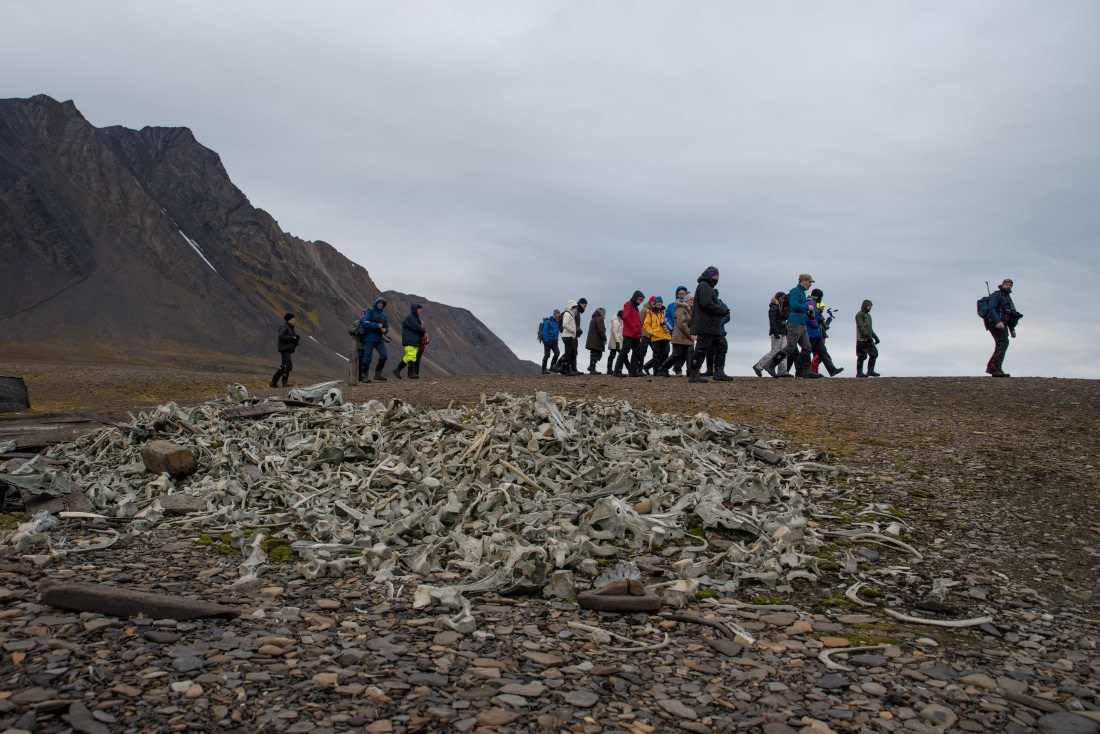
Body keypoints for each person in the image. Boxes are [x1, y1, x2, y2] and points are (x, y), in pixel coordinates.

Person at [764, 274, 821, 379]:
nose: (810, 284)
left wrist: (808, 312)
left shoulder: (802, 292)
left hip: (801, 322)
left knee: (807, 347)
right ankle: (770, 365)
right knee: (790, 348)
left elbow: (798, 307)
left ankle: (807, 371)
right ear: (804, 281)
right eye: (810, 282)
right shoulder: (796, 291)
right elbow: (794, 305)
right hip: (795, 323)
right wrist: (807, 307)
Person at [688, 266, 730, 383]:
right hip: (706, 325)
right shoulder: (704, 286)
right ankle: (694, 374)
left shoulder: (707, 286)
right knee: (701, 348)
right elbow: (706, 303)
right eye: (716, 276)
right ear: (710, 275)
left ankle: (719, 372)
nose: (717, 278)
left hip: (712, 325)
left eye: (718, 276)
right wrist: (721, 310)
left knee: (721, 345)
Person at [984, 278, 1021, 377]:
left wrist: (1012, 329)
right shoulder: (997, 294)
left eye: (1010, 285)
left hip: (1003, 324)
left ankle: (996, 368)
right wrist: (998, 321)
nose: (1008, 286)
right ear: (1003, 284)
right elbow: (991, 308)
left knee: (1003, 343)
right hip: (995, 323)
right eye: (1007, 284)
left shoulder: (1007, 297)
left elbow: (1011, 314)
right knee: (1003, 343)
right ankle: (994, 368)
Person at [753, 292, 790, 378]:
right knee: (774, 351)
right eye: (783, 298)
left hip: (782, 332)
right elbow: (772, 320)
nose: (784, 300)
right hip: (777, 332)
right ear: (779, 298)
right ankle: (758, 366)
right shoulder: (774, 307)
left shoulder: (780, 307)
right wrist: (776, 331)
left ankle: (782, 371)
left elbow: (782, 318)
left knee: (784, 352)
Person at [807, 290, 843, 376]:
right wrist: (816, 323)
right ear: (818, 296)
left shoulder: (813, 303)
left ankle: (832, 370)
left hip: (817, 334)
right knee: (807, 352)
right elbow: (810, 317)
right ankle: (803, 370)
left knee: (823, 353)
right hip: (812, 333)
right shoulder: (811, 303)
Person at [357, 296, 390, 383]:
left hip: (379, 339)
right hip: (369, 338)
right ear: (376, 304)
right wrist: (376, 325)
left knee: (384, 355)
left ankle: (377, 374)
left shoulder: (383, 315)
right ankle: (365, 376)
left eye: (382, 303)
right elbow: (364, 322)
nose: (380, 304)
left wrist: (385, 330)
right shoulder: (370, 312)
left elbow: (387, 327)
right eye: (379, 303)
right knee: (367, 357)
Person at [613, 291, 646, 376]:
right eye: (639, 300)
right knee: (624, 351)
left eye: (642, 300)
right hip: (629, 333)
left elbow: (638, 321)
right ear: (635, 298)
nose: (640, 302)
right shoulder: (628, 304)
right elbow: (626, 317)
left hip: (636, 334)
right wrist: (634, 327)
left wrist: (639, 331)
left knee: (637, 352)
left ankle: (633, 371)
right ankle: (617, 370)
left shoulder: (636, 308)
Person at [660, 295, 694, 376]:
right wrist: (690, 334)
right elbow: (681, 324)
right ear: (686, 301)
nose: (693, 301)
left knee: (690, 353)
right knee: (676, 355)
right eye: (691, 299)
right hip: (679, 336)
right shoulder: (680, 309)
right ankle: (663, 368)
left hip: (686, 337)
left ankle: (690, 371)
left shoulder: (689, 310)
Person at [394, 302, 426, 379]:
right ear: (414, 309)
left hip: (414, 341)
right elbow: (417, 327)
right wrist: (424, 331)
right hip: (410, 340)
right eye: (418, 309)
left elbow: (419, 328)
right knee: (411, 356)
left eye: (421, 309)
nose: (420, 310)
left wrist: (422, 329)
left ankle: (397, 370)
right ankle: (411, 374)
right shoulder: (410, 318)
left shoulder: (415, 318)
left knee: (408, 357)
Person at [269, 312, 300, 388]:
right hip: (285, 349)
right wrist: (292, 338)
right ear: (289, 319)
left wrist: (296, 339)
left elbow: (290, 338)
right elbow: (281, 336)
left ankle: (273, 383)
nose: (294, 319)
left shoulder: (291, 328)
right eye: (293, 318)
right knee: (288, 366)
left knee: (283, 366)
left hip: (287, 349)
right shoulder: (285, 327)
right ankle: (284, 383)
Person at [644, 297, 673, 376]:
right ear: (655, 304)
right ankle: (656, 371)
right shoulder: (650, 313)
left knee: (666, 353)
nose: (659, 303)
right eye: (657, 302)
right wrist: (652, 332)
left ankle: (664, 370)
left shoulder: (665, 312)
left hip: (666, 336)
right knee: (657, 355)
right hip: (656, 337)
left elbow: (669, 321)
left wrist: (668, 328)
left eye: (660, 302)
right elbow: (646, 325)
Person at [560, 298, 587, 376]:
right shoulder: (570, 313)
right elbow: (566, 324)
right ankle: (564, 368)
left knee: (573, 352)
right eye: (584, 305)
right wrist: (574, 330)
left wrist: (576, 330)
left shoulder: (574, 313)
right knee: (569, 353)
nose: (585, 307)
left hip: (573, 335)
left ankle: (571, 369)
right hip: (569, 335)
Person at [855, 299, 881, 378]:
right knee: (862, 356)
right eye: (869, 306)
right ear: (865, 306)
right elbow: (861, 327)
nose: (870, 308)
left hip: (869, 339)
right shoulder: (859, 315)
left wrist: (875, 337)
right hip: (861, 340)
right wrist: (867, 336)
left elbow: (870, 329)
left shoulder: (869, 316)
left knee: (874, 353)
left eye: (871, 306)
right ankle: (859, 373)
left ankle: (870, 371)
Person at [585, 307, 607, 374]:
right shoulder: (599, 319)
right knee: (596, 355)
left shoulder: (594, 318)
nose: (605, 314)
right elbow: (601, 330)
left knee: (594, 354)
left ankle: (591, 367)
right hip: (596, 341)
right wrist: (604, 338)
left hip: (592, 340)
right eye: (604, 313)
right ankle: (592, 368)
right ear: (601, 312)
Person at [347, 309, 367, 381]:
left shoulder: (369, 324)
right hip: (357, 347)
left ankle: (362, 377)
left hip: (366, 347)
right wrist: (358, 329)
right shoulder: (356, 322)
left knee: (364, 363)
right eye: (361, 314)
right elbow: (349, 330)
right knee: (355, 362)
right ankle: (353, 377)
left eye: (364, 314)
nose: (363, 316)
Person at [540, 309, 561, 374]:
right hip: (547, 341)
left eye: (559, 313)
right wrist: (546, 340)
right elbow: (544, 331)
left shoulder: (557, 322)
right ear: (554, 314)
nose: (558, 314)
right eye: (557, 313)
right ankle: (543, 369)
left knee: (557, 353)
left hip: (555, 341)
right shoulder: (548, 321)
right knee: (547, 355)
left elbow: (557, 331)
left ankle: (552, 367)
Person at [606, 310, 623, 375]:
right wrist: (618, 342)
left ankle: (609, 369)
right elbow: (615, 332)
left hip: (616, 341)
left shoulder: (619, 321)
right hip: (616, 342)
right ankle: (613, 369)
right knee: (619, 355)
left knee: (612, 355)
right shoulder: (616, 322)